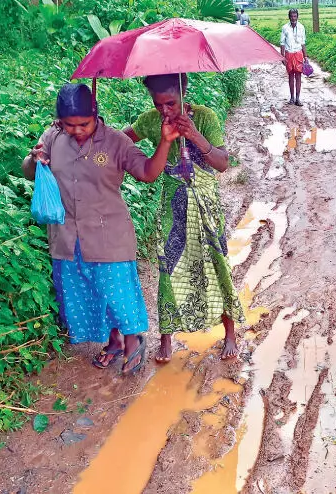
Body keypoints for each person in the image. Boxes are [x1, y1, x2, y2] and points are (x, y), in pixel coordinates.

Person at [22, 83, 179, 376]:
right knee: (89, 292)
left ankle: (133, 339)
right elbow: (29, 170)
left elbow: (147, 173)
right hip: (67, 236)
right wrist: (35, 160)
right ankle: (114, 341)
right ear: (59, 121)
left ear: (95, 115)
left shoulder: (116, 142)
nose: (77, 130)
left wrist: (166, 142)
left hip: (109, 235)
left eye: (83, 124)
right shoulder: (52, 137)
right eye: (69, 125)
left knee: (117, 292)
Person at [123, 73, 246, 363]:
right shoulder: (151, 122)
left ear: (184, 93)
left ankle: (229, 332)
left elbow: (222, 163)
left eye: (171, 103)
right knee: (169, 269)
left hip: (206, 206)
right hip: (172, 208)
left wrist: (194, 135)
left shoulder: (204, 118)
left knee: (216, 265)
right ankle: (166, 337)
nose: (165, 110)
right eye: (158, 104)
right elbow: (120, 139)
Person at [280, 8, 307, 106]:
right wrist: (282, 56)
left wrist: (306, 57)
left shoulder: (301, 27)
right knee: (291, 75)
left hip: (298, 53)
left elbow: (303, 43)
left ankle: (298, 99)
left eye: (295, 16)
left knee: (298, 76)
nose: (293, 18)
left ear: (297, 17)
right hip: (289, 54)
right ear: (289, 17)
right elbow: (282, 43)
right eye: (291, 16)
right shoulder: (285, 28)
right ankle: (292, 98)